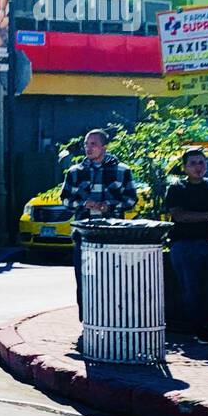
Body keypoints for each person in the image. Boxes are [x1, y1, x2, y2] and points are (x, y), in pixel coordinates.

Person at [59, 129, 138, 319]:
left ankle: (114, 317)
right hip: (85, 236)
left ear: (104, 146)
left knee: (114, 278)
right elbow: (65, 199)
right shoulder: (75, 172)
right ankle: (88, 319)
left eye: (93, 144)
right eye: (86, 144)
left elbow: (131, 199)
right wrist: (83, 203)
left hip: (114, 236)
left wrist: (109, 205)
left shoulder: (122, 170)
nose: (89, 148)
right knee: (87, 276)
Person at [164, 149, 208, 343]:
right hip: (183, 244)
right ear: (185, 167)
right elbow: (180, 216)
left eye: (201, 163)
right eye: (192, 163)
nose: (197, 167)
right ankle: (200, 330)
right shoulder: (176, 188)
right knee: (191, 287)